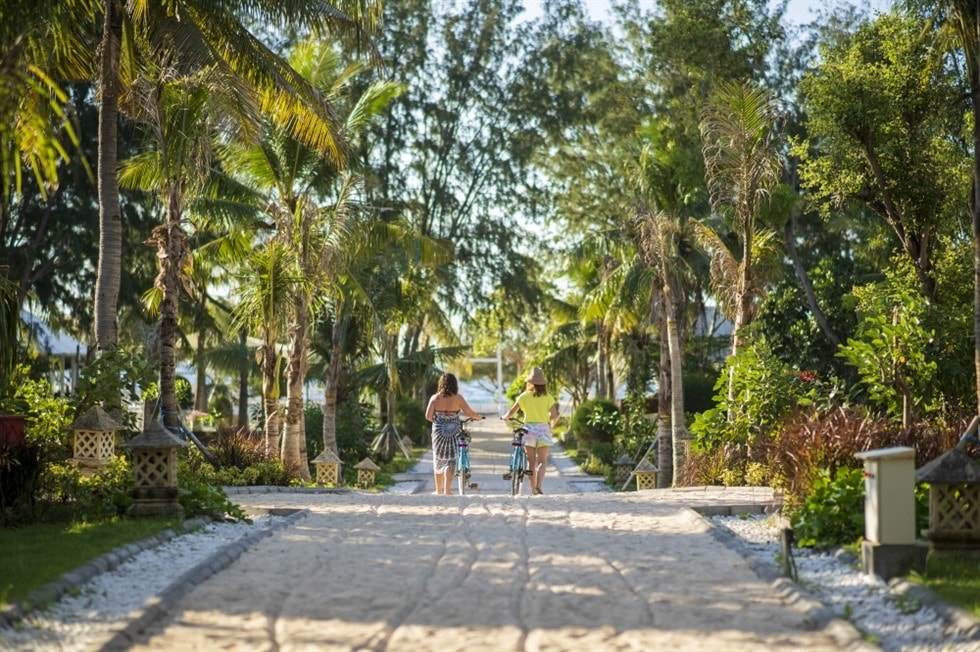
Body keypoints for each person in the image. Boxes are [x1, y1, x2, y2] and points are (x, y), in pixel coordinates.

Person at [424, 373, 485, 495]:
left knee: (438, 458)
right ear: (454, 384)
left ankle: (438, 490)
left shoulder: (434, 398)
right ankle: (447, 490)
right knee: (451, 459)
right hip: (454, 430)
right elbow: (470, 413)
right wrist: (478, 417)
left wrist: (439, 421)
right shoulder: (458, 398)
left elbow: (428, 416)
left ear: (440, 384)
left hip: (438, 432)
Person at [501, 367, 558, 495]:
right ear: (543, 383)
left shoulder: (524, 396)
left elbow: (511, 412)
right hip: (543, 428)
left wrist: (505, 418)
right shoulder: (548, 397)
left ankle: (533, 489)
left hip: (529, 430)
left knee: (531, 462)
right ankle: (539, 484)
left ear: (530, 382)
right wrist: (546, 419)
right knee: (543, 461)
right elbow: (554, 414)